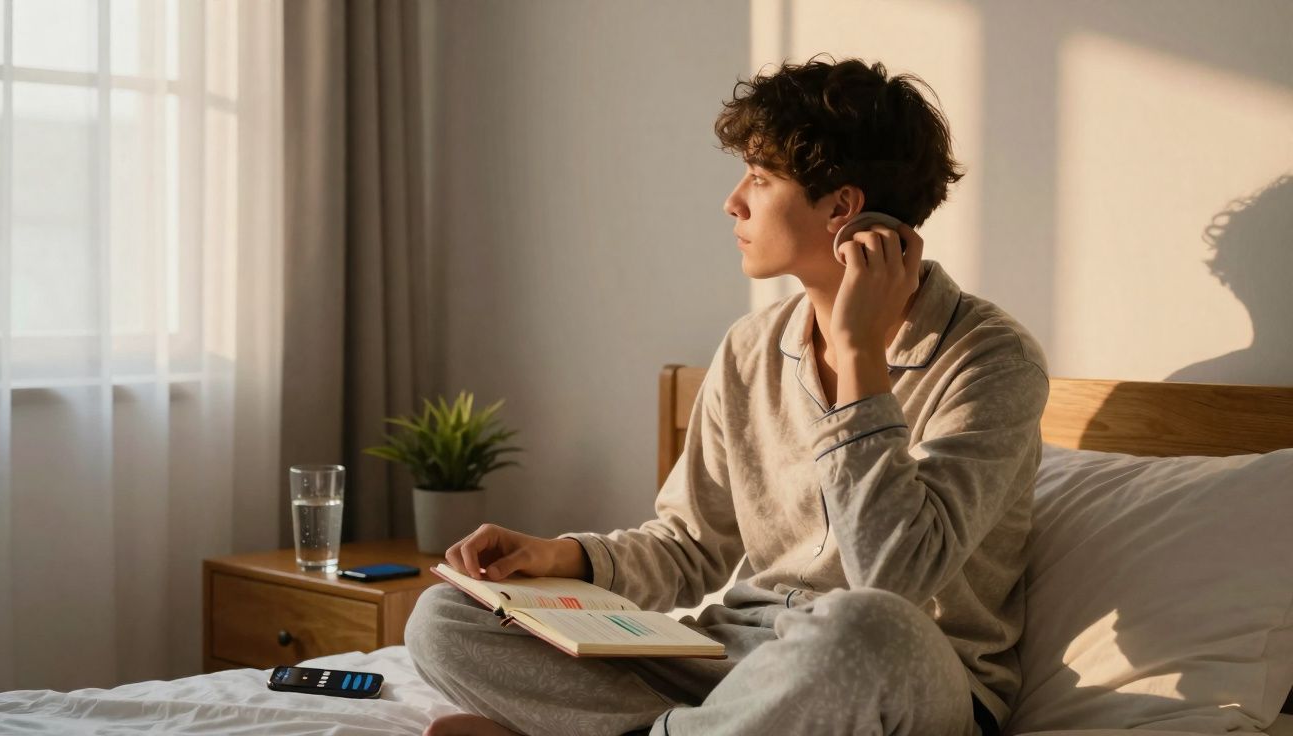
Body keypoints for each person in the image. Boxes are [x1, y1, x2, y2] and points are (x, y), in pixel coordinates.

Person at [406, 53, 1049, 736]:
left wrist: (860, 357)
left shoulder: (992, 360)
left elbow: (893, 575)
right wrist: (564, 558)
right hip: (732, 664)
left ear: (843, 209)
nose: (733, 200)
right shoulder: (750, 347)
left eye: (760, 177)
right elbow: (691, 546)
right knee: (445, 620)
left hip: (903, 676)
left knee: (871, 626)